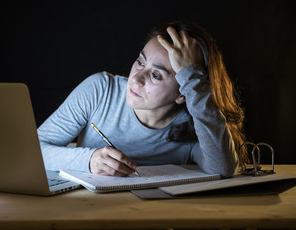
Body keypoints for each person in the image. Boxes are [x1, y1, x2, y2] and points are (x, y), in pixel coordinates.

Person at [37, 21, 248, 178]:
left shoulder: (195, 126)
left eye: (156, 75)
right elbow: (35, 149)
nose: (136, 79)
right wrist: (89, 160)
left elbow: (223, 170)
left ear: (183, 93)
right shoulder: (100, 89)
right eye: (140, 62)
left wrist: (193, 80)